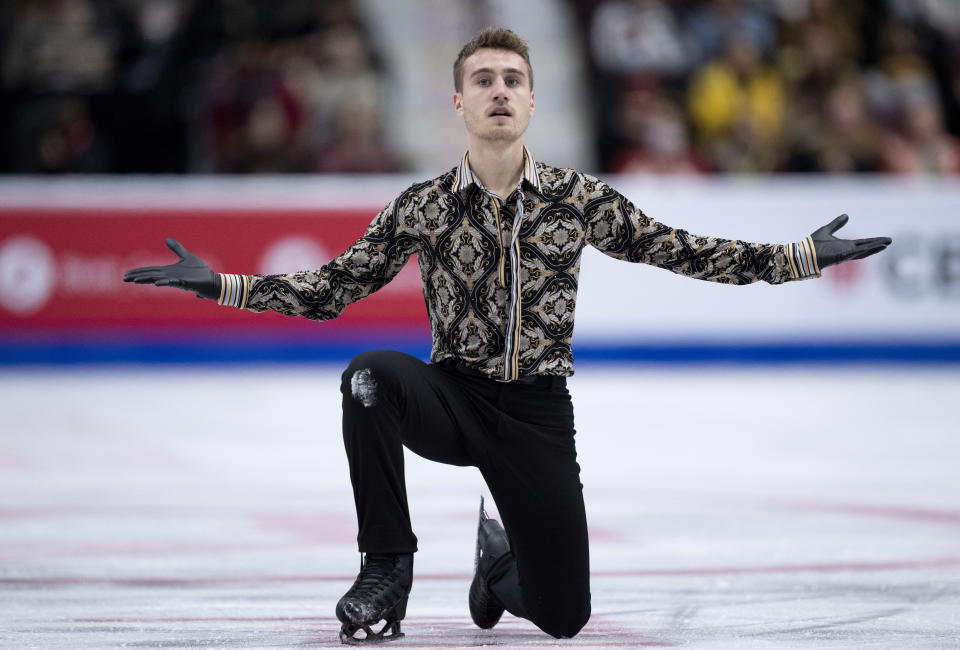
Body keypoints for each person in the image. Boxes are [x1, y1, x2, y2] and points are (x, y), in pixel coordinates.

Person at [123, 27, 891, 645]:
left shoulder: (578, 199)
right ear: (459, 102)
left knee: (565, 617)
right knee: (368, 375)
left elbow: (685, 250)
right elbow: (330, 290)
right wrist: (222, 283)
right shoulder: (420, 206)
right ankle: (386, 567)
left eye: (512, 80)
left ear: (532, 101)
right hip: (452, 397)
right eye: (484, 80)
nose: (499, 91)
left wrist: (800, 256)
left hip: (536, 414)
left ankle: (497, 570)